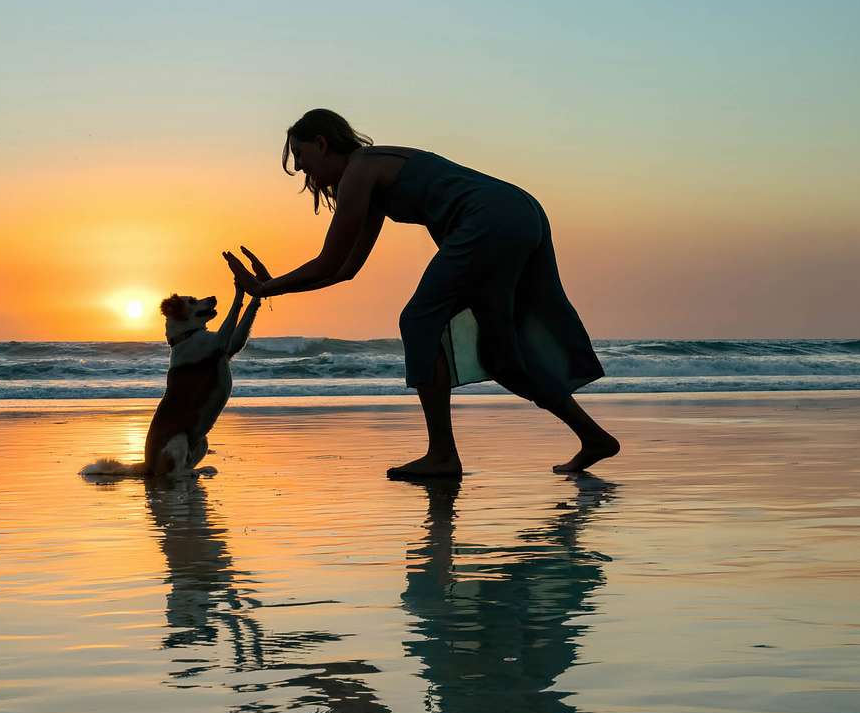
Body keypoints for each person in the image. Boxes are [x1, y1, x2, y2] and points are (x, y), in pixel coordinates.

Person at [223, 108, 619, 479]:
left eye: (300, 154)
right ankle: (593, 437)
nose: (299, 168)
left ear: (322, 143)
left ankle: (442, 455)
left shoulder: (359, 170)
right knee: (500, 358)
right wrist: (271, 287)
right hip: (520, 211)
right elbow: (344, 270)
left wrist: (265, 288)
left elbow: (328, 262)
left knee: (418, 320)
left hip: (488, 219)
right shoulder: (370, 173)